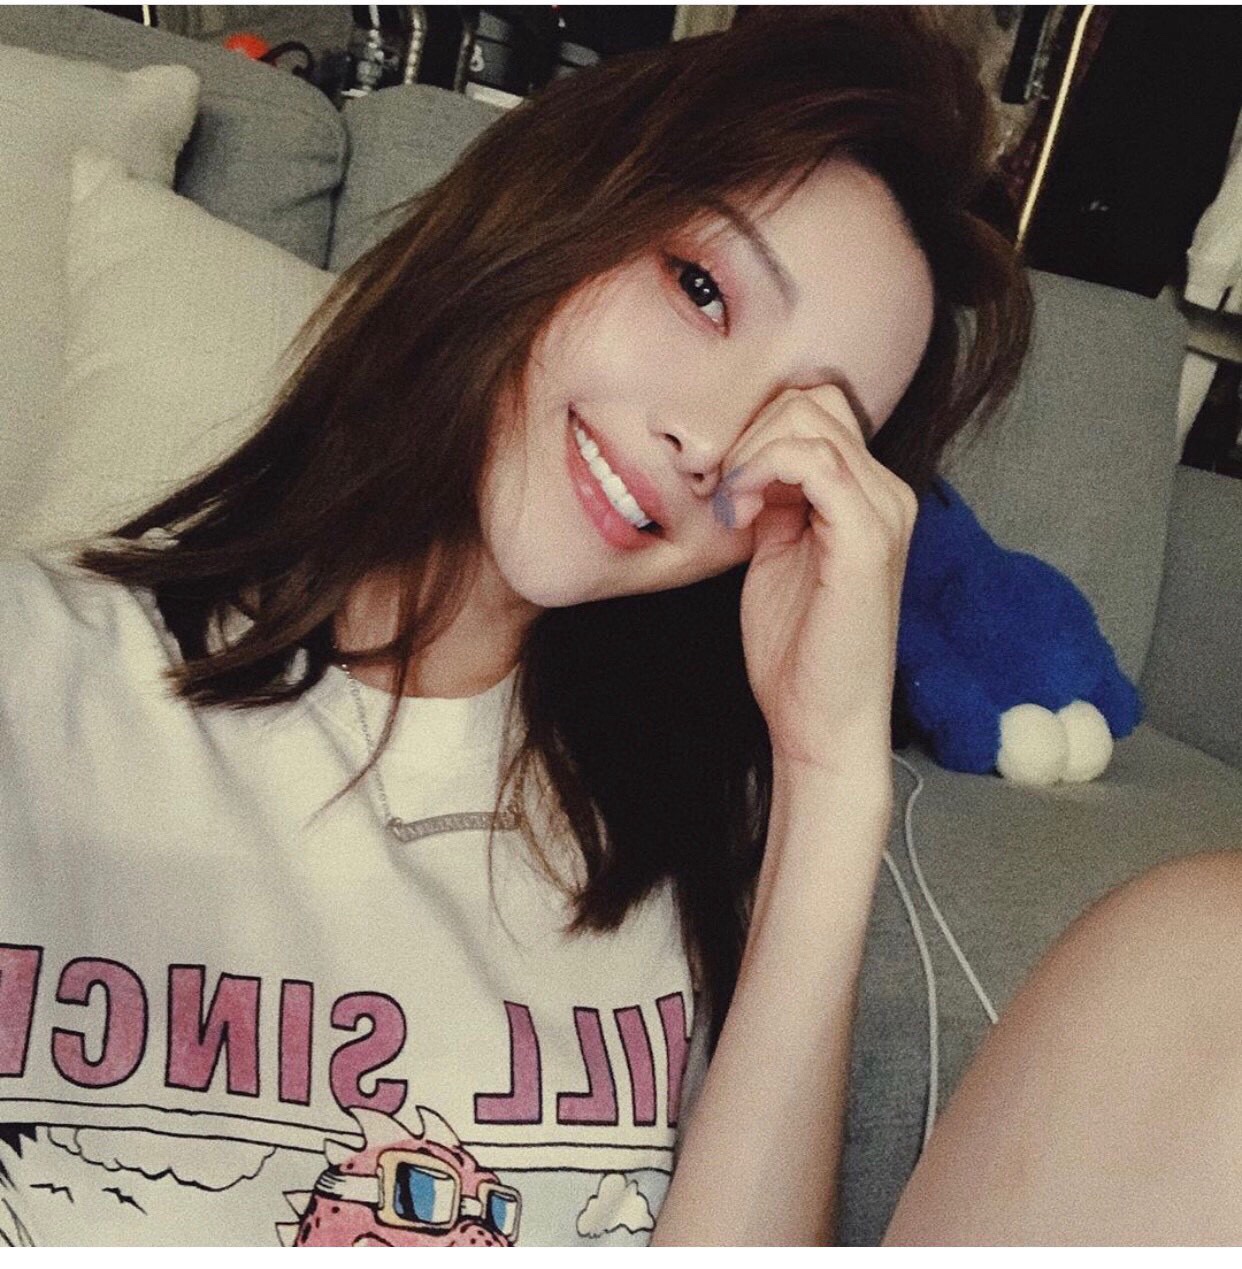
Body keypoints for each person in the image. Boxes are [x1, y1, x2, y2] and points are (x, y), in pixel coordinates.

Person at [1, 6, 1239, 1249]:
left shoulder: (674, 826)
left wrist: (829, 782)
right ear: (555, 206)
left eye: (806, 426)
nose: (710, 441)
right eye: (702, 290)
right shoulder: (39, 669)